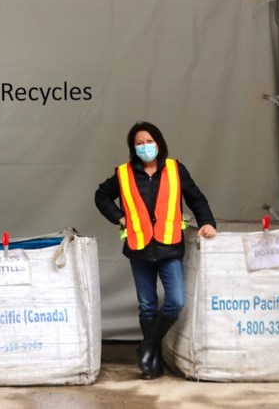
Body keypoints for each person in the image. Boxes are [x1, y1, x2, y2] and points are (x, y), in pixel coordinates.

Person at [94, 121, 217, 380]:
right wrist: (119, 217)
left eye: (149, 141)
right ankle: (153, 360)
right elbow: (101, 196)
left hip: (169, 246)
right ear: (132, 148)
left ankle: (147, 345)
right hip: (139, 248)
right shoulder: (124, 173)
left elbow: (196, 198)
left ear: (158, 143)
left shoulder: (175, 169)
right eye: (139, 143)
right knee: (147, 306)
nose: (145, 147)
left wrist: (208, 222)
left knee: (176, 301)